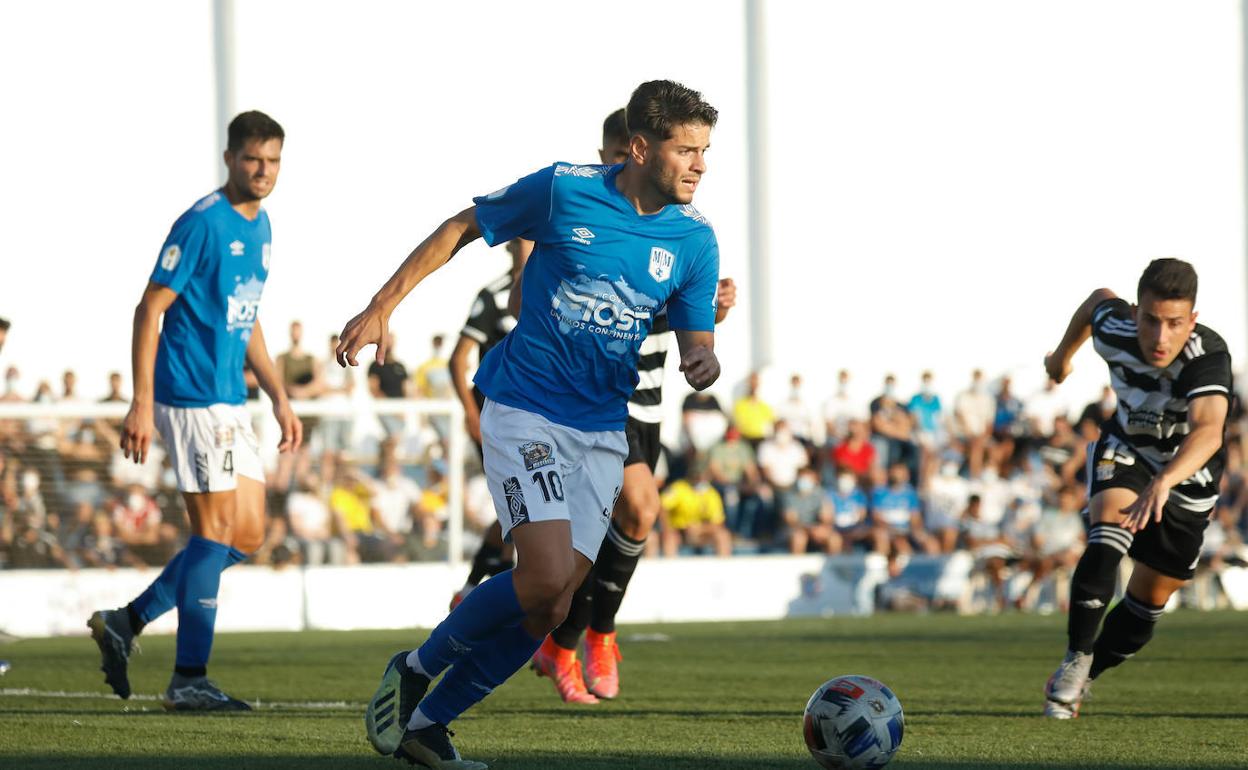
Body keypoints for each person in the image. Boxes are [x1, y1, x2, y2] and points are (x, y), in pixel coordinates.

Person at [340, 80, 722, 768]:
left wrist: (702, 359)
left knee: (551, 607)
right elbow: (463, 226)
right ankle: (416, 666)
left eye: (705, 151)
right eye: (687, 149)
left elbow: (696, 336)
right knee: (544, 577)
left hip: (605, 427)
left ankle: (427, 725)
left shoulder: (695, 240)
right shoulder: (563, 190)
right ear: (640, 147)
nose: (700, 164)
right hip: (525, 407)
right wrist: (381, 306)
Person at [87, 111, 301, 711]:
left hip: (230, 400)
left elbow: (247, 313)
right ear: (230, 158)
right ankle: (188, 679)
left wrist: (279, 395)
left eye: (274, 161)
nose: (263, 171)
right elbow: (150, 307)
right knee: (212, 534)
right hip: (190, 397)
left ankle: (127, 622)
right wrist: (141, 401)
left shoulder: (261, 227)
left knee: (249, 535)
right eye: (254, 159)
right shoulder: (202, 223)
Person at [1042, 258, 1231, 719]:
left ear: (1193, 320)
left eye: (1174, 324)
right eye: (1150, 320)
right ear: (1135, 313)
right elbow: (1096, 300)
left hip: (1187, 474)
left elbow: (1208, 431)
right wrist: (1061, 357)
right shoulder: (1116, 327)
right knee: (1107, 537)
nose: (1160, 337)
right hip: (1127, 448)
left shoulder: (1207, 355)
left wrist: (1166, 481)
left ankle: (1089, 674)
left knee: (1147, 606)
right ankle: (1076, 656)